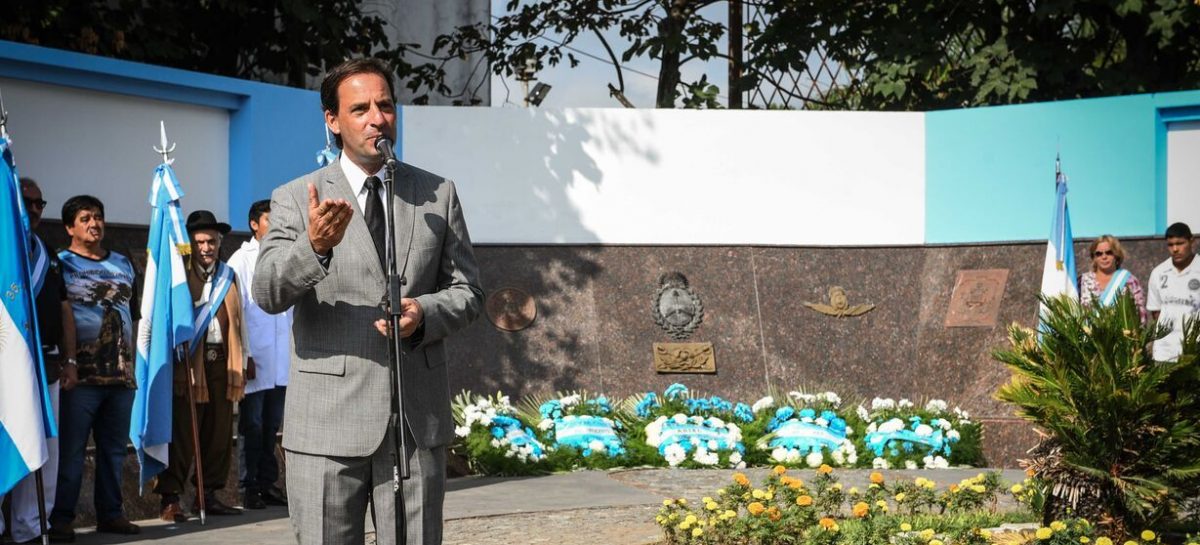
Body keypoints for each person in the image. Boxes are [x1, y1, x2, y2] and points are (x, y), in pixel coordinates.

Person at [253, 58, 484, 545]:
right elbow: (268, 291)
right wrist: (313, 247)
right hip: (326, 426)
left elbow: (468, 293)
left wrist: (425, 313)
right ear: (332, 121)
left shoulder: (437, 194)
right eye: (360, 109)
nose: (377, 118)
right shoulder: (297, 198)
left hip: (415, 422)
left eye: (385, 105)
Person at [51, 195, 140, 540]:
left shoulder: (122, 261)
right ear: (70, 227)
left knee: (113, 452)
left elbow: (133, 315)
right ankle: (61, 518)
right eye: (85, 218)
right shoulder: (60, 263)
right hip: (79, 378)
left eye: (98, 217)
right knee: (72, 452)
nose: (94, 223)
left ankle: (111, 514)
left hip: (120, 377)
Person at [154, 210, 247, 521]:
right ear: (190, 245)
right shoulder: (179, 276)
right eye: (200, 242)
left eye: (212, 241)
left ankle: (208, 494)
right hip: (188, 367)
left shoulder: (227, 276)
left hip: (222, 363)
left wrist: (243, 360)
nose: (207, 247)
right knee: (182, 434)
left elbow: (238, 322)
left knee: (218, 434)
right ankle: (171, 498)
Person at [0, 179, 74, 544]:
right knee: (6, 441)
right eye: (24, 202)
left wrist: (70, 358)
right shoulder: (3, 251)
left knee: (43, 445)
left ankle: (31, 525)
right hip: (6, 365)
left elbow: (63, 310)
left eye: (38, 204)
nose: (32, 210)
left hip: (47, 363)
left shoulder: (48, 253)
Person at [227, 199, 291, 509]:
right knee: (250, 425)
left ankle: (268, 483)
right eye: (270, 219)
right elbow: (237, 312)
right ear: (255, 224)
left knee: (271, 426)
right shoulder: (240, 259)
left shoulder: (286, 255)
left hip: (281, 359)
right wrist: (245, 354)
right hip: (256, 356)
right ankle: (247, 486)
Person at [1146, 222, 1200, 362]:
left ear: (1191, 241)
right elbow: (1156, 312)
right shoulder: (1158, 273)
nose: (1175, 249)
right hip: (1165, 352)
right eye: (1170, 245)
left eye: (1180, 243)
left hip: (1195, 351)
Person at [1078, 234, 1148, 322]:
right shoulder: (1082, 281)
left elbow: (1140, 315)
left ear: (1116, 255)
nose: (1104, 257)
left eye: (1109, 252)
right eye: (1099, 254)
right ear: (1094, 257)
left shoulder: (1129, 281)